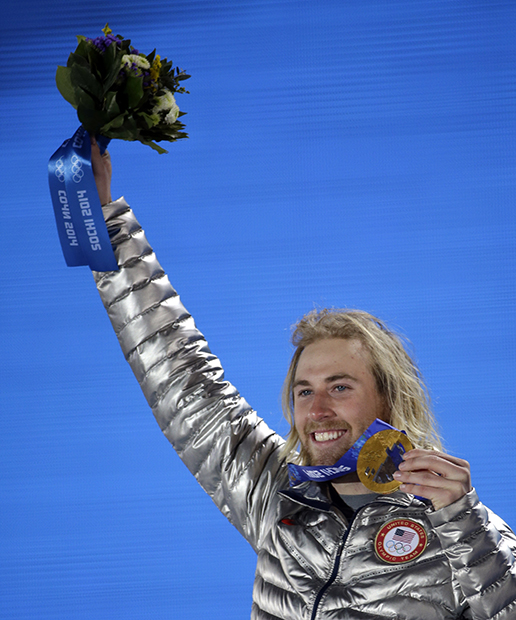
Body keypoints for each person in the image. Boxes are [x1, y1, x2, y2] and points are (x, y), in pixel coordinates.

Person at [89, 137, 516, 619]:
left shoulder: (457, 525)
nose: (316, 411)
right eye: (303, 391)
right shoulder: (278, 494)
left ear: (390, 397)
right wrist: (104, 218)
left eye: (340, 387)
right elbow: (180, 376)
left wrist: (466, 527)